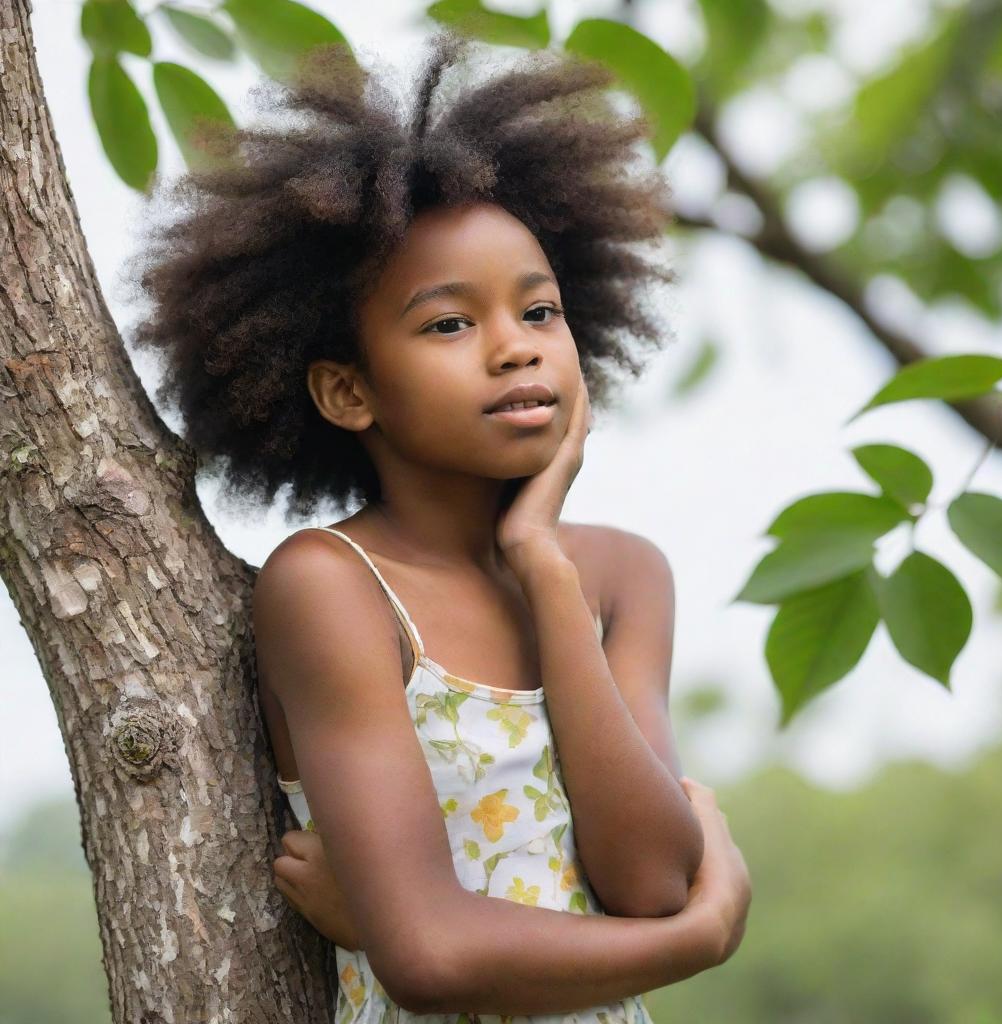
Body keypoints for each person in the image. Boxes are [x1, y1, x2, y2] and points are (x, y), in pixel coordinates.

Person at [127, 28, 751, 1024]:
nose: (513, 349)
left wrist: (541, 566)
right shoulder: (331, 585)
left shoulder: (621, 576)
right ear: (346, 389)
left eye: (538, 312)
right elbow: (428, 953)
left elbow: (648, 874)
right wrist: (695, 941)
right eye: (449, 324)